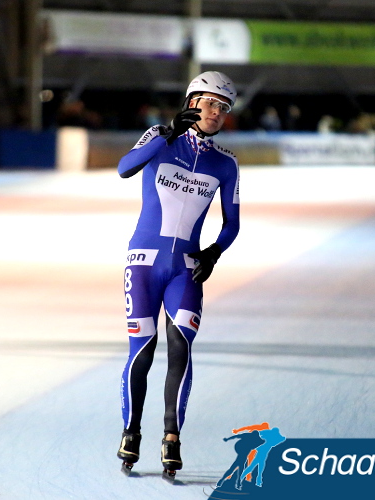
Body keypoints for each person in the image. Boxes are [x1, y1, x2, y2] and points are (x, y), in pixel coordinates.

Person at [116, 71, 240, 477]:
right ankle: (131, 431)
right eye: (209, 103)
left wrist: (215, 252)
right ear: (191, 102)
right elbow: (124, 168)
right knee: (144, 350)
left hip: (186, 269)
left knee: (181, 347)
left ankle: (171, 436)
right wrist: (167, 133)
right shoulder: (158, 136)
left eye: (223, 108)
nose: (216, 112)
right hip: (143, 262)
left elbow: (232, 224)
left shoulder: (226, 163)